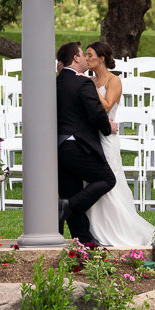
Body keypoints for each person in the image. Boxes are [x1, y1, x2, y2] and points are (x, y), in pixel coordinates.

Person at [82, 42, 155, 248]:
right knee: (92, 182)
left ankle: (120, 229)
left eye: (90, 55)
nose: (87, 59)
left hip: (107, 137)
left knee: (110, 179)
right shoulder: (90, 80)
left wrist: (90, 87)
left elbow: (106, 106)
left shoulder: (114, 81)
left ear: (102, 58)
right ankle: (96, 229)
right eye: (86, 56)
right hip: (90, 136)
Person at [55, 41, 116, 245]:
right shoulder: (83, 83)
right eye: (83, 54)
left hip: (59, 149)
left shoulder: (54, 83)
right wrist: (108, 128)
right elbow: (96, 113)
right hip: (79, 146)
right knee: (107, 179)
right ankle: (65, 207)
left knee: (70, 190)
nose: (85, 58)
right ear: (76, 58)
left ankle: (85, 240)